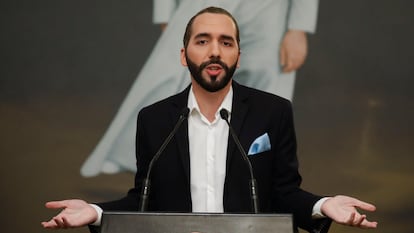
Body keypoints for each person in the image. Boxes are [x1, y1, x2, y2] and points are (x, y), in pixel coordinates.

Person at [42, 7, 377, 233]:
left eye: (225, 42)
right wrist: (95, 212)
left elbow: (284, 194)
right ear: (184, 55)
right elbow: (144, 201)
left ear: (238, 56)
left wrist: (324, 204)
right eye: (202, 41)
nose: (214, 51)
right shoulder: (154, 119)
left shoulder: (273, 112)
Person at [80, 0, 319, 177]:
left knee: (267, 76)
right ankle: (127, 152)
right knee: (170, 74)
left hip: (268, 8)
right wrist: (165, 11)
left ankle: (251, 170)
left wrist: (298, 27)